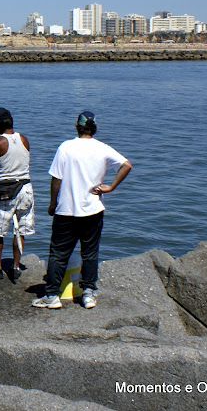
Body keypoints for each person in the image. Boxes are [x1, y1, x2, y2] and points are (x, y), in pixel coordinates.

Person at [32, 111, 132, 309]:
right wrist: (111, 187)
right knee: (90, 252)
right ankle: (88, 293)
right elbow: (126, 165)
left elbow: (56, 179)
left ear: (76, 126)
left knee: (59, 253)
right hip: (93, 210)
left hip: (66, 211)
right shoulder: (102, 148)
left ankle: (52, 295)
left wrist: (53, 204)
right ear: (95, 128)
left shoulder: (66, 147)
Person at [0, 107, 35, 281]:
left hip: (7, 192)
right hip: (26, 189)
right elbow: (18, 162)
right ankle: (16, 266)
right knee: (20, 229)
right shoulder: (24, 139)